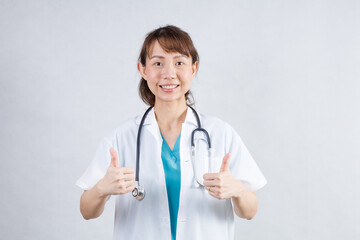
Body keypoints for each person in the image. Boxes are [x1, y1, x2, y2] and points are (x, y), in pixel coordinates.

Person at [76, 25, 267, 240]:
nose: (168, 74)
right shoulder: (121, 137)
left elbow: (249, 212)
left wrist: (238, 190)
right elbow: (87, 211)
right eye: (158, 63)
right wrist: (102, 188)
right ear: (143, 69)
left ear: (193, 69)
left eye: (179, 63)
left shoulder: (220, 133)